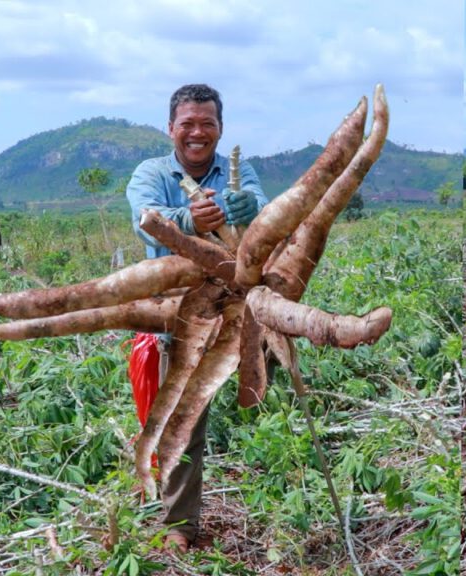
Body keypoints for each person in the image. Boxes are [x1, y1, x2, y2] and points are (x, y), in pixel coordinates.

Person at [125, 84, 268, 553]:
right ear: (171, 128)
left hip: (236, 300)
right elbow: (146, 217)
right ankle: (179, 525)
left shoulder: (237, 171)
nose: (197, 132)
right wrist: (189, 221)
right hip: (179, 308)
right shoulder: (151, 172)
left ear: (220, 129)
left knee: (267, 382)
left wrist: (252, 209)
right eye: (187, 123)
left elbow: (259, 204)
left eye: (207, 123)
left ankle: (286, 473)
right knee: (182, 418)